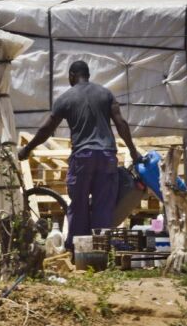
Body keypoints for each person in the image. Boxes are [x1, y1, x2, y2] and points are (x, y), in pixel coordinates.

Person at [18, 60, 141, 250]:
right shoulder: (105, 94)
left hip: (83, 157)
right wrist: (133, 151)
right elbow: (121, 123)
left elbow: (46, 129)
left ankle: (77, 249)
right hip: (107, 155)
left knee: (79, 203)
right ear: (88, 75)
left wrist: (27, 149)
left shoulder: (66, 98)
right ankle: (100, 249)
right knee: (103, 205)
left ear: (72, 75)